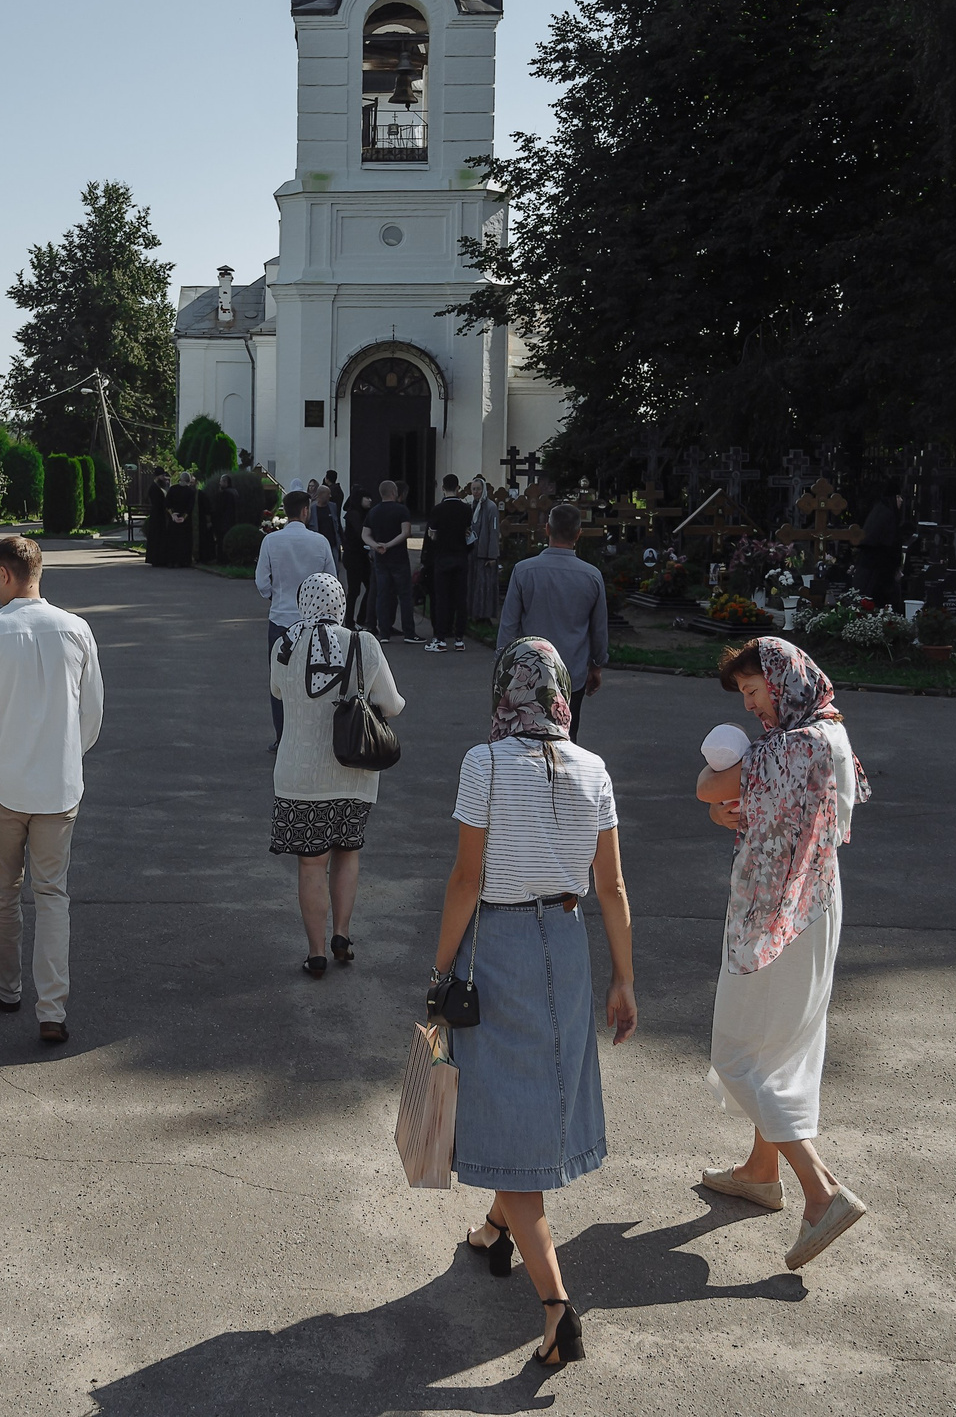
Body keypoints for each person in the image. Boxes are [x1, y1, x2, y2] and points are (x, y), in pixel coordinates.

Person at [435, 638, 635, 1368]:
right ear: (560, 694)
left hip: (498, 943)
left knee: (504, 1108)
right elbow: (610, 887)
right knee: (533, 1098)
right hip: (568, 943)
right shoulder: (594, 768)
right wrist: (624, 979)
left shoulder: (483, 763)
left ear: (503, 691)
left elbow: (466, 877)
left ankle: (556, 1305)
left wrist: (439, 964)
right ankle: (494, 1229)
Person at [692, 637, 874, 1271]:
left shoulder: (794, 746)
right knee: (783, 1044)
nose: (750, 706)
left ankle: (819, 1192)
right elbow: (776, 812)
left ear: (781, 679)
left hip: (777, 914)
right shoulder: (832, 734)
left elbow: (706, 786)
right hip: (816, 901)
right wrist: (737, 815)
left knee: (736, 1052)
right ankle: (760, 1170)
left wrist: (723, 803)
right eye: (743, 696)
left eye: (752, 690)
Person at [0, 534, 104, 1045]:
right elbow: (92, 714)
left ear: (1, 574)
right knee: (53, 893)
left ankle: (7, 986)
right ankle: (52, 1008)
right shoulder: (77, 629)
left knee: (4, 892)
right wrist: (65, 755)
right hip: (59, 787)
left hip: (2, 786)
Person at [269, 572, 403, 975]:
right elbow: (392, 705)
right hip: (352, 772)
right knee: (348, 852)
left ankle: (315, 953)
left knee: (311, 864)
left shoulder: (285, 644)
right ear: (340, 602)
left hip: (298, 774)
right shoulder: (363, 643)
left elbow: (277, 691)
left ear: (303, 602)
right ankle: (342, 934)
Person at [495, 503, 609, 744]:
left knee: (524, 737)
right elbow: (599, 629)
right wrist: (597, 665)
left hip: (527, 671)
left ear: (547, 529)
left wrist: (502, 667)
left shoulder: (523, 571)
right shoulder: (591, 575)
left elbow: (509, 625)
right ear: (578, 534)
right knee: (566, 737)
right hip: (571, 672)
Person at [254, 487, 338, 745]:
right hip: (314, 623)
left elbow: (261, 582)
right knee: (315, 679)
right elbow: (331, 581)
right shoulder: (320, 541)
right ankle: (313, 736)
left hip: (281, 619)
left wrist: (275, 596)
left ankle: (283, 738)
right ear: (305, 511)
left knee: (279, 682)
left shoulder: (270, 541)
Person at [424, 475, 475, 653]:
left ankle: (441, 639)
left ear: (443, 488)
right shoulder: (466, 509)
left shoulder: (438, 510)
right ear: (458, 487)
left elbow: (432, 534)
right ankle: (459, 639)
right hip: (461, 557)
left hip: (442, 558)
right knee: (460, 599)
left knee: (442, 599)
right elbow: (469, 533)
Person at [363, 479, 418, 641]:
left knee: (382, 595)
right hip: (399, 558)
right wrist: (389, 544)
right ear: (394, 492)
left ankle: (384, 632)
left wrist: (376, 546)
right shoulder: (402, 510)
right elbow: (405, 532)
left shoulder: (373, 512)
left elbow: (365, 535)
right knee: (405, 595)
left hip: (381, 559)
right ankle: (409, 632)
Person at [853, 486, 903, 606]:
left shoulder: (880, 511)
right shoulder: (886, 514)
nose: (901, 500)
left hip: (875, 568)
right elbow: (887, 545)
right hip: (877, 570)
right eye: (899, 497)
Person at [467, 476, 503, 622]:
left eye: (478, 489)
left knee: (485, 586)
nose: (476, 492)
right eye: (473, 489)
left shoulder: (491, 507)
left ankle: (485, 616)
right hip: (473, 551)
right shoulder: (472, 506)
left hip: (485, 553)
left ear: (484, 490)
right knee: (474, 584)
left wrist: (492, 555)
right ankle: (473, 613)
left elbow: (493, 531)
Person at [341, 485, 376, 626]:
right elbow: (360, 533)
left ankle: (361, 618)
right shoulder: (354, 514)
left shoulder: (360, 513)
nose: (370, 500)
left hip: (360, 556)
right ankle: (350, 620)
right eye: (367, 498)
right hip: (354, 557)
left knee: (369, 587)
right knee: (355, 590)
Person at [158, 470, 198, 567]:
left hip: (174, 517)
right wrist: (184, 517)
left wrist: (173, 515)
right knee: (184, 541)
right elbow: (190, 507)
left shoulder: (173, 489)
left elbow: (167, 504)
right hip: (185, 520)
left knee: (173, 540)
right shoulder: (191, 491)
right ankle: (184, 561)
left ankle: (172, 561)